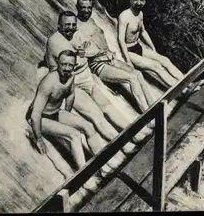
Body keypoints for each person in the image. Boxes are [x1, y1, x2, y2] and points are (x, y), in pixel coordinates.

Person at [45, 11, 150, 145]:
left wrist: (84, 52)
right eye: (67, 25)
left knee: (108, 106)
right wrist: (81, 52)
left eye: (73, 25)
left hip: (87, 79)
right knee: (97, 116)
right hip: (71, 86)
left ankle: (134, 134)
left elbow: (95, 50)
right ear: (59, 26)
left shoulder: (76, 34)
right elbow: (70, 64)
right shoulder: (54, 41)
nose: (70, 28)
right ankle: (124, 144)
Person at [26, 49, 126, 176]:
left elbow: (70, 95)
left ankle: (104, 164)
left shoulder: (70, 76)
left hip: (55, 113)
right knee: (74, 135)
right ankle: (86, 175)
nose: (67, 68)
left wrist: (67, 115)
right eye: (64, 64)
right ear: (58, 63)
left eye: (70, 65)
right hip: (38, 118)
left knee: (88, 126)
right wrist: (39, 139)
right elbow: (35, 115)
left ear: (75, 66)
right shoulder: (48, 83)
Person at [117, 0, 204, 94]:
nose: (139, 3)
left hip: (138, 46)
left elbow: (143, 32)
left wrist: (152, 48)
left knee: (165, 60)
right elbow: (120, 39)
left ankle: (189, 83)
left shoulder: (140, 14)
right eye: (136, 0)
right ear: (130, 1)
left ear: (144, 2)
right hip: (129, 51)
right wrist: (127, 60)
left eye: (141, 0)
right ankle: (183, 90)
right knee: (156, 66)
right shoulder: (124, 16)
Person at [74, 0, 156, 113]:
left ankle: (154, 105)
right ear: (77, 7)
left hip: (109, 59)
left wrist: (107, 51)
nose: (86, 11)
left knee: (137, 73)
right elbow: (79, 51)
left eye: (89, 7)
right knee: (131, 78)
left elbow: (99, 39)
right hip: (99, 65)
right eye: (83, 7)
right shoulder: (76, 26)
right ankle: (147, 112)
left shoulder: (90, 20)